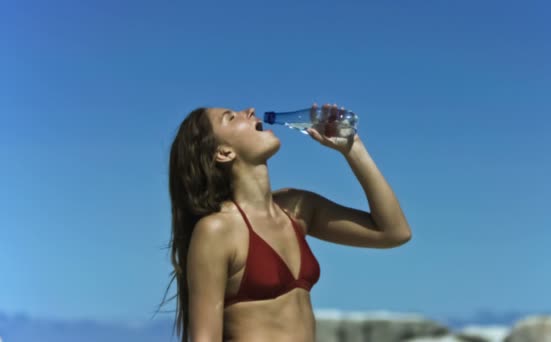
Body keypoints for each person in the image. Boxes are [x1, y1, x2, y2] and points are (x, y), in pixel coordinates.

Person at [158, 103, 412, 342]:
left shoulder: (298, 208)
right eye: (231, 117)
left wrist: (352, 147)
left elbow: (393, 232)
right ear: (224, 153)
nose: (250, 110)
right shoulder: (217, 230)